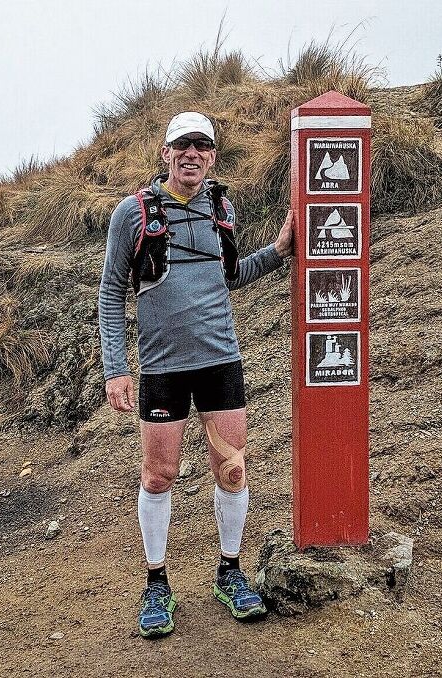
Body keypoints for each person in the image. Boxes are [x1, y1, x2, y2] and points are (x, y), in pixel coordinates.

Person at [98, 111, 293, 638]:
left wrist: (277, 251)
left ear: (212, 155)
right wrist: (116, 369)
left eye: (202, 145)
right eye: (182, 144)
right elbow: (111, 290)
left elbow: (230, 276)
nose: (192, 153)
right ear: (165, 152)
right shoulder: (132, 214)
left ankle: (230, 572)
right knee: (158, 475)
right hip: (162, 368)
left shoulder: (222, 208)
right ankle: (156, 582)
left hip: (220, 362)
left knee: (232, 471)